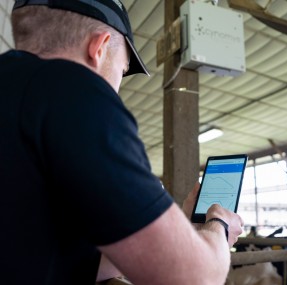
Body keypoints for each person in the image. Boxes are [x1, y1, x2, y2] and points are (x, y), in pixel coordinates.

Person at [0, 1, 244, 284]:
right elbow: (195, 278)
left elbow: (65, 263)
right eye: (122, 69)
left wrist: (183, 232)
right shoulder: (75, 93)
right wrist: (219, 226)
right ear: (99, 48)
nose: (117, 88)